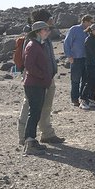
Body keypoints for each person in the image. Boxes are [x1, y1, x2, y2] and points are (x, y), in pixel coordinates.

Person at [17, 9, 64, 146]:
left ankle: (47, 133)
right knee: (31, 107)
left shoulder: (44, 37)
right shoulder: (32, 39)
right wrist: (43, 75)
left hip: (46, 77)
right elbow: (29, 63)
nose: (52, 20)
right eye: (50, 18)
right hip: (36, 79)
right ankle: (24, 137)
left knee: (46, 106)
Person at [21, 21, 54, 155]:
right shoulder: (33, 45)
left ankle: (31, 140)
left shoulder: (37, 45)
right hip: (34, 84)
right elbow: (29, 66)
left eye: (47, 30)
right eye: (45, 30)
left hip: (37, 83)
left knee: (35, 112)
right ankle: (29, 142)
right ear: (37, 32)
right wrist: (43, 76)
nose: (47, 32)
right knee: (34, 112)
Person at [63, 14, 93, 106]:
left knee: (85, 80)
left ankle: (83, 98)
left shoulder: (89, 31)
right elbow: (67, 42)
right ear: (85, 21)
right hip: (76, 58)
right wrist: (69, 56)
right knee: (75, 80)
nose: (91, 24)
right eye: (91, 22)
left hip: (86, 59)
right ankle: (74, 99)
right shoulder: (74, 29)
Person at [80, 23, 95, 110]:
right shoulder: (89, 40)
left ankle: (91, 99)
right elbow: (94, 53)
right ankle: (83, 99)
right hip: (91, 64)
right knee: (89, 82)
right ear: (92, 30)